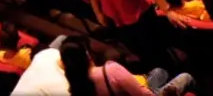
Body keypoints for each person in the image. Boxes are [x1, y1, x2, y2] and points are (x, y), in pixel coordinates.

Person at [54, 36, 194, 96]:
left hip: (130, 90)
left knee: (160, 72)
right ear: (87, 54)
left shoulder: (76, 84)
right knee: (185, 76)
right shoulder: (110, 70)